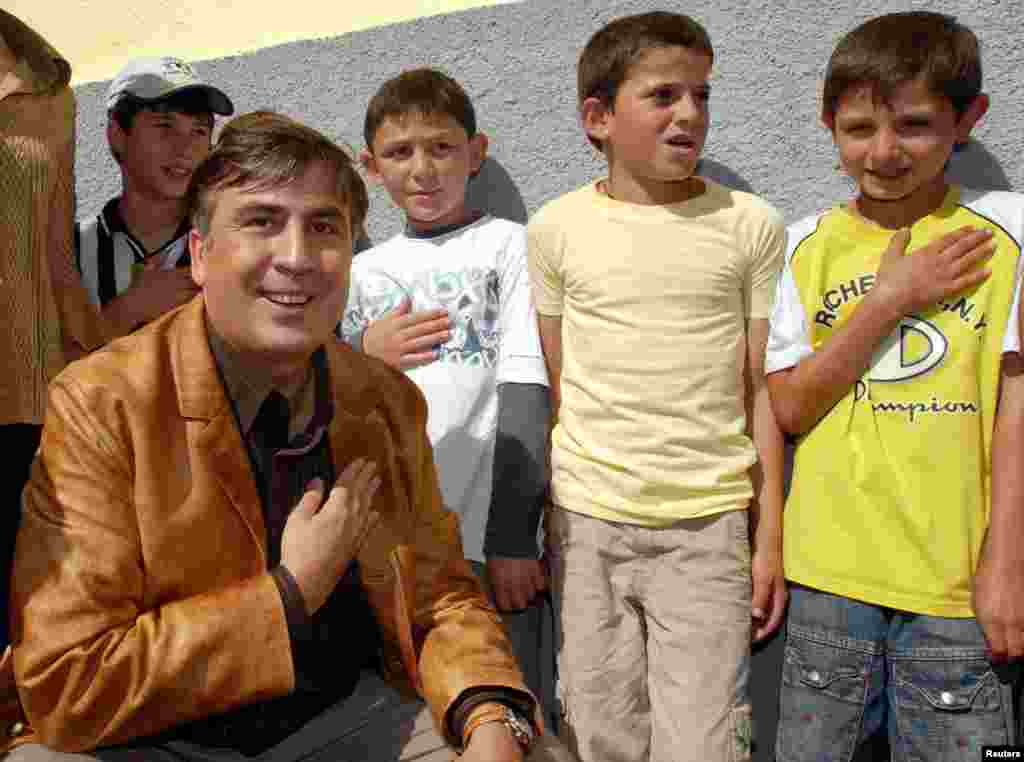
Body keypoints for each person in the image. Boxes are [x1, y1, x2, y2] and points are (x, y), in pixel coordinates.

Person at [2, 111, 571, 762]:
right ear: (199, 253)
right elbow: (68, 681)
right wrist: (290, 591)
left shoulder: (382, 401)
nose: (298, 258)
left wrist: (488, 710)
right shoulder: (102, 403)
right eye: (261, 221)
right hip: (154, 737)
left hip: (341, 718)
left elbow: (440, 597)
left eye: (324, 227)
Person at [526, 11, 787, 762]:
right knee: (596, 737)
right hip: (587, 526)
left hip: (707, 529)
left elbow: (759, 390)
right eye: (664, 95)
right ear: (598, 117)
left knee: (706, 745)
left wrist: (766, 539)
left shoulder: (749, 224)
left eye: (702, 95)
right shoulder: (556, 228)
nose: (690, 115)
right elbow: (561, 381)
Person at [766, 11, 1024, 761]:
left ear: (968, 118)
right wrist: (888, 302)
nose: (883, 152)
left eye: (913, 125)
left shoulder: (1006, 233)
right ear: (828, 123)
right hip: (827, 585)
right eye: (858, 128)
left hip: (960, 592)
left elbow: (1017, 407)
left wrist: (1006, 564)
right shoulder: (799, 245)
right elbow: (787, 406)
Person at [340, 68, 556, 731]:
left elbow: (527, 383)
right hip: (396, 545)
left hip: (491, 540)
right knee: (416, 712)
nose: (423, 170)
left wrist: (515, 535)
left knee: (511, 704)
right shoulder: (358, 273)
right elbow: (330, 405)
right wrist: (362, 355)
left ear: (476, 151)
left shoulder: (513, 245)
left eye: (441, 148)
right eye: (400, 153)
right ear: (370, 166)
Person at [0, 10, 106, 652]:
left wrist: (103, 362)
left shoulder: (48, 89)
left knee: (26, 580)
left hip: (24, 377)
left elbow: (57, 252)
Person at [75, 56, 233, 338]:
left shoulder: (229, 245)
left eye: (198, 131)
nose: (184, 148)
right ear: (117, 135)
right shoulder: (70, 252)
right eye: (164, 126)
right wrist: (127, 311)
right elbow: (38, 369)